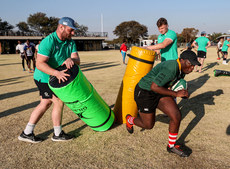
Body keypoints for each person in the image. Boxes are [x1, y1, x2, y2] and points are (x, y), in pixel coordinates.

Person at [126, 50, 201, 157]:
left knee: (176, 115)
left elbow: (169, 85)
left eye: (194, 65)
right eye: (190, 64)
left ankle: (171, 146)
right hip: (145, 92)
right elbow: (154, 87)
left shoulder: (182, 70)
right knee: (148, 125)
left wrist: (183, 92)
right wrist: (176, 93)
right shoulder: (171, 67)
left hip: (160, 90)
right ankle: (130, 119)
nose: (192, 67)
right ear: (182, 60)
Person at [18, 17, 80, 143]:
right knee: (57, 102)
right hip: (44, 77)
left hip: (54, 77)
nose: (73, 33)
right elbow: (40, 64)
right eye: (71, 30)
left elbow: (77, 60)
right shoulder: (48, 42)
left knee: (45, 103)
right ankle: (57, 134)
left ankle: (27, 133)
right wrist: (56, 73)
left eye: (74, 30)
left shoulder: (70, 42)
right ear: (61, 27)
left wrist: (70, 60)